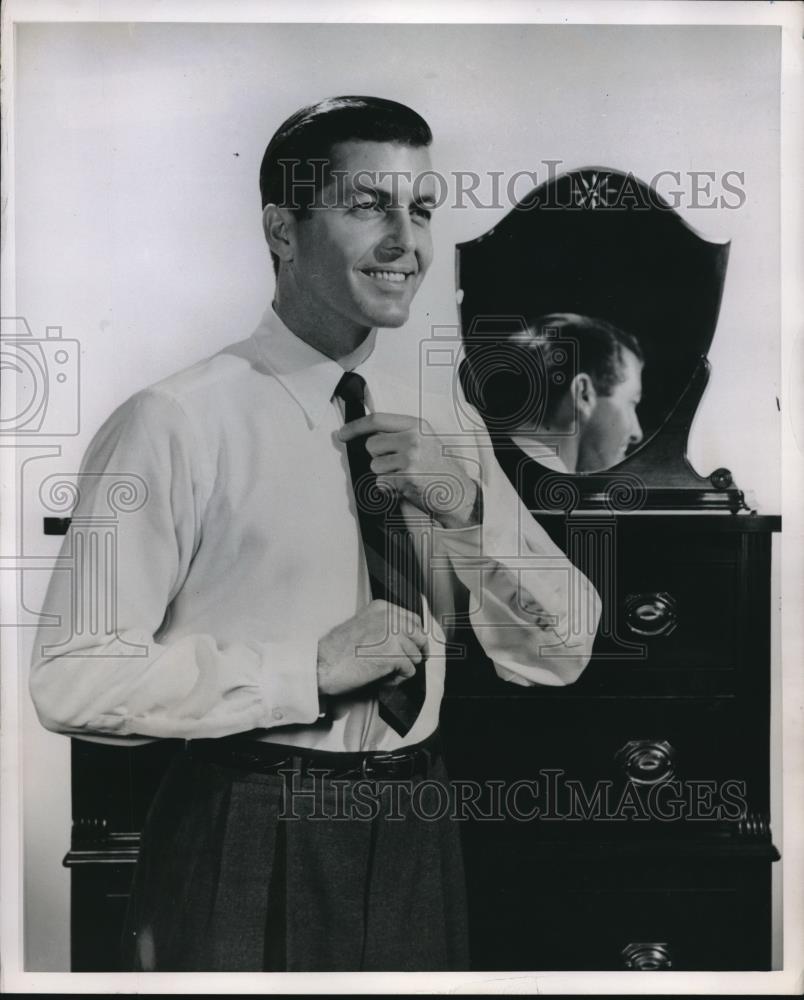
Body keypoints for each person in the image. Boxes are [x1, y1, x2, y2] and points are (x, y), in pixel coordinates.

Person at [30, 97, 601, 972]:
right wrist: (309, 671)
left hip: (418, 828)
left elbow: (563, 649)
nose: (405, 242)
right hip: (246, 830)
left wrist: (472, 516)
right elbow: (70, 681)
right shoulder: (172, 422)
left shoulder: (445, 414)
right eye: (369, 205)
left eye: (422, 209)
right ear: (282, 229)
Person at [463, 312, 645, 474]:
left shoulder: (478, 470)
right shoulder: (559, 502)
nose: (637, 434)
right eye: (631, 403)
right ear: (583, 394)